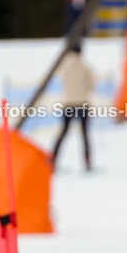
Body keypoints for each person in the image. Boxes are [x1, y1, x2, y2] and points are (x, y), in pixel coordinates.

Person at [51, 43, 95, 171]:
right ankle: (87, 163)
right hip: (82, 104)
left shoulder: (64, 66)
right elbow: (92, 83)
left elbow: (59, 76)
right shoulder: (85, 66)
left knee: (63, 132)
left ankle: (53, 160)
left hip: (68, 104)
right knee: (85, 134)